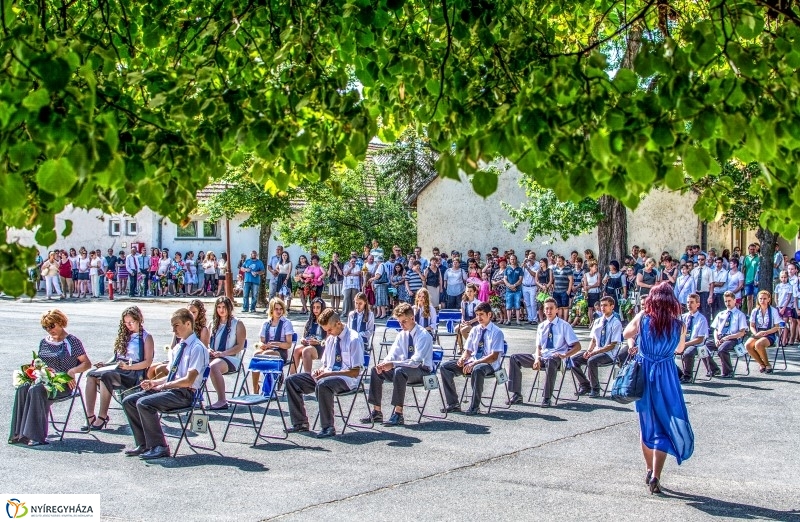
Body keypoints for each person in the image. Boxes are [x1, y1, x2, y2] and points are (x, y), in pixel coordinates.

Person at [623, 282, 694, 494]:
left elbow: (626, 333)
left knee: (647, 424)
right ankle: (656, 474)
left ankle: (648, 469)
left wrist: (640, 317)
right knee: (664, 424)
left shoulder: (644, 318)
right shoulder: (679, 325)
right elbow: (680, 349)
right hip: (666, 375)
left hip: (645, 372)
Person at [122, 308, 209, 459]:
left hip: (185, 394)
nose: (173, 330)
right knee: (129, 401)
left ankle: (160, 446)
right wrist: (154, 382)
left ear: (188, 324)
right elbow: (172, 376)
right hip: (172, 390)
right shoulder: (178, 347)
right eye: (172, 326)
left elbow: (188, 380)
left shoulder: (197, 348)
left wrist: (163, 386)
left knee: (144, 403)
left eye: (176, 325)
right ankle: (144, 444)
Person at [10, 310, 91, 446]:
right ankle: (18, 434)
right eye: (45, 327)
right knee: (23, 387)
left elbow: (87, 363)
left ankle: (36, 436)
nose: (49, 330)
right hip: (43, 379)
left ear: (60, 322)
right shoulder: (44, 342)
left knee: (37, 390)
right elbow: (40, 363)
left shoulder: (72, 341)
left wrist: (72, 371)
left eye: (52, 326)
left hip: (62, 384)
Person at [284, 309, 365, 437]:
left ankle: (328, 427)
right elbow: (326, 365)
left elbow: (355, 372)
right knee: (292, 381)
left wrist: (328, 374)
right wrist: (320, 370)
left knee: (323, 384)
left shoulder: (353, 339)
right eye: (326, 330)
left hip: (347, 379)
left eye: (329, 330)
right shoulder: (330, 339)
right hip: (327, 376)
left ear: (338, 323)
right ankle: (300, 423)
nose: (328, 333)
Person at [83, 307, 155, 432]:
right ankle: (90, 415)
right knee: (91, 375)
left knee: (106, 377)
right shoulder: (124, 335)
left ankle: (102, 415)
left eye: (131, 322)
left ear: (139, 320)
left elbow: (147, 362)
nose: (128, 325)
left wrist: (129, 367)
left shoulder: (146, 337)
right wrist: (105, 364)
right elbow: (116, 357)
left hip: (134, 371)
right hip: (118, 367)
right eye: (126, 323)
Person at [362, 303, 434, 426]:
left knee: (399, 371)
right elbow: (393, 354)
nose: (401, 325)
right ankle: (377, 411)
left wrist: (393, 364)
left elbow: (415, 362)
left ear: (412, 318)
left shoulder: (423, 335)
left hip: (423, 371)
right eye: (399, 322)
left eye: (404, 321)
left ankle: (398, 413)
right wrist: (384, 364)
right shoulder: (402, 335)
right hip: (404, 368)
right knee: (376, 370)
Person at [506, 298, 581, 407]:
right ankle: (517, 394)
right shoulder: (541, 326)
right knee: (514, 358)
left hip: (557, 357)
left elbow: (577, 346)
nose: (549, 311)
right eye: (546, 309)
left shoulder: (564, 325)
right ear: (544, 311)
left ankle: (547, 397)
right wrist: (537, 359)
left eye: (551, 308)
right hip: (542, 356)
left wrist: (565, 355)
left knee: (551, 360)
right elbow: (539, 346)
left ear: (556, 310)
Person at [438, 302, 504, 415]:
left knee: (478, 369)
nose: (478, 317)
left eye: (481, 314)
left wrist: (474, 363)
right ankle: (453, 404)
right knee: (445, 367)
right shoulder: (475, 330)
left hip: (490, 364)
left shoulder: (497, 332)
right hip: (472, 362)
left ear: (489, 315)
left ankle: (474, 406)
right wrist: (463, 359)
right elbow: (468, 350)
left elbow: (494, 356)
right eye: (477, 314)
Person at [570, 296, 625, 397]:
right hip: (596, 350)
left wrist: (595, 352)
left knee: (592, 361)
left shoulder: (616, 323)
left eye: (605, 305)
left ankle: (595, 388)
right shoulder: (598, 321)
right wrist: (588, 351)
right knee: (573, 360)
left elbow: (612, 345)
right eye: (601, 305)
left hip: (609, 353)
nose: (602, 308)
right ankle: (585, 385)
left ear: (612, 306)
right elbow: (594, 340)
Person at [207, 297, 246, 410]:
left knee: (213, 366)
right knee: (195, 363)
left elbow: (240, 346)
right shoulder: (212, 323)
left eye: (224, 307)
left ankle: (222, 400)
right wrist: (209, 349)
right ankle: (194, 397)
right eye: (219, 307)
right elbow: (206, 343)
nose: (221, 310)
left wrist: (223, 354)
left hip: (231, 358)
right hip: (214, 356)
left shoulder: (237, 323)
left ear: (229, 308)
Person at [253, 298, 295, 390]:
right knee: (256, 354)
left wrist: (275, 344)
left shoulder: (286, 323)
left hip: (280, 351)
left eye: (281, 309)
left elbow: (288, 344)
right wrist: (262, 345)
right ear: (271, 310)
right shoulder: (266, 323)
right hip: (267, 349)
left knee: (265, 354)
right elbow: (262, 341)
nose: (279, 311)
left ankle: (271, 381)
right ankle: (255, 388)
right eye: (276, 309)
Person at [703, 291, 748, 378]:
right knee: (702, 347)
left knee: (722, 349)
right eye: (726, 301)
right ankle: (713, 369)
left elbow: (742, 333)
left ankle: (728, 371)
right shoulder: (721, 314)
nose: (727, 303)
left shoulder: (740, 315)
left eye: (729, 301)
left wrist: (728, 337)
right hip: (720, 338)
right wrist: (716, 339)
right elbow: (716, 329)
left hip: (733, 339)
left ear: (734, 300)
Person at [675, 293, 709, 384]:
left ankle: (688, 376)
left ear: (698, 304)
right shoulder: (682, 317)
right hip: (683, 342)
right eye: (688, 302)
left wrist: (685, 344)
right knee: (667, 352)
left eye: (692, 302)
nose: (689, 304)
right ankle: (678, 374)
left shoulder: (702, 319)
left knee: (688, 353)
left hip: (695, 344)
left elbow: (700, 339)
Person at [745, 290, 781, 373]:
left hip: (770, 334)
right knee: (747, 345)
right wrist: (756, 334)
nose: (762, 301)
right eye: (760, 299)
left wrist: (766, 332)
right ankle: (761, 363)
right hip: (757, 333)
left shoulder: (773, 310)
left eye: (764, 299)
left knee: (759, 344)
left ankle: (767, 364)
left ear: (769, 299)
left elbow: (776, 327)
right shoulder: (755, 311)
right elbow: (752, 326)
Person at [292, 298, 328, 374]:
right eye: (314, 307)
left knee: (306, 350)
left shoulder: (326, 322)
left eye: (318, 307)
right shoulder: (310, 321)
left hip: (321, 347)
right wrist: (303, 340)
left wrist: (318, 342)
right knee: (297, 349)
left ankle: (307, 376)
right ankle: (291, 375)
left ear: (322, 308)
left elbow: (329, 339)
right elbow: (304, 336)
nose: (315, 310)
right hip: (309, 344)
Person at [455, 283, 481, 354]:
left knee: (463, 330)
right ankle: (461, 348)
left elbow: (478, 317)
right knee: (456, 329)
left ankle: (471, 346)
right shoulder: (463, 302)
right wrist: (463, 319)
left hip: (475, 323)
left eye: (471, 291)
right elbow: (463, 314)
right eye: (468, 291)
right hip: (466, 321)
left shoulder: (478, 303)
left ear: (474, 292)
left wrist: (470, 322)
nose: (469, 293)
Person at [773, 270, 795, 346]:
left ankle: (784, 340)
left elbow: (788, 298)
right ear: (780, 278)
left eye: (785, 277)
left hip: (786, 306)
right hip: (779, 306)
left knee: (784, 323)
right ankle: (780, 338)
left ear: (787, 277)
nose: (783, 279)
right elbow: (776, 297)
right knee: (779, 323)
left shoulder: (789, 286)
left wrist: (784, 307)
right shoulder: (778, 286)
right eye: (782, 277)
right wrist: (779, 307)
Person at [503, 254, 524, 325]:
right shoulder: (507, 269)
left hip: (517, 290)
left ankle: (518, 320)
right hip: (509, 291)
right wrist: (510, 286)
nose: (512, 260)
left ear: (516, 260)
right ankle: (509, 320)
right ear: (509, 260)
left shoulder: (520, 269)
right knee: (508, 306)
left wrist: (514, 285)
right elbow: (505, 279)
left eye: (514, 259)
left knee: (517, 305)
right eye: (511, 259)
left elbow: (520, 279)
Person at [552, 256, 574, 320]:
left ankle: (565, 322)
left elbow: (571, 280)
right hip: (556, 291)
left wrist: (568, 291)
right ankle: (560, 321)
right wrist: (553, 288)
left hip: (564, 291)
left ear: (563, 261)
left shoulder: (568, 269)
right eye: (557, 261)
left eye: (560, 261)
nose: (558, 262)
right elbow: (554, 279)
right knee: (559, 307)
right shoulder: (555, 269)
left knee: (565, 307)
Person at [742, 243, 760, 313]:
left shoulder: (759, 258)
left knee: (757, 297)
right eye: (751, 249)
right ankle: (749, 313)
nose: (752, 251)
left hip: (756, 280)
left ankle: (756, 312)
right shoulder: (746, 258)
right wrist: (743, 280)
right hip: (748, 280)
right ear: (748, 250)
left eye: (753, 249)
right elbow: (744, 269)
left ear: (756, 250)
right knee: (749, 297)